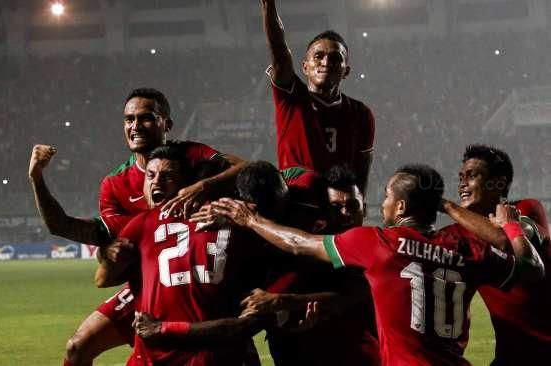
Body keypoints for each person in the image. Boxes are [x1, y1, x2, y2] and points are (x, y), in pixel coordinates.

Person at [193, 164, 545, 365]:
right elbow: (532, 267)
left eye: (389, 197)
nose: (385, 204)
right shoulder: (467, 248)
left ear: (402, 209)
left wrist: (249, 220)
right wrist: (509, 225)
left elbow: (300, 244)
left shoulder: (378, 243)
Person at [28, 88, 246, 366]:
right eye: (128, 119)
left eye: (145, 118)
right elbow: (73, 230)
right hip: (146, 287)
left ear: (166, 124)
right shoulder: (115, 184)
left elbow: (248, 169)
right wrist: (37, 178)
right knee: (77, 347)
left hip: (196, 279)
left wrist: (202, 187)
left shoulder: (191, 155)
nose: (135, 126)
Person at [135, 163, 379, 365]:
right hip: (296, 345)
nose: (344, 214)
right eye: (336, 207)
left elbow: (344, 292)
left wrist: (164, 330)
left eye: (353, 206)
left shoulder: (356, 242)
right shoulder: (263, 247)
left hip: (354, 351)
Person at [105, 147, 271, 366]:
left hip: (158, 350)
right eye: (151, 176)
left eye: (167, 176)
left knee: (79, 344)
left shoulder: (145, 222)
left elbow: (102, 279)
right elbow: (246, 324)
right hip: (215, 351)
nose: (157, 183)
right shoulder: (247, 225)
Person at [445, 144, 551, 364]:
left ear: (499, 183)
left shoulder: (527, 207)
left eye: (472, 175)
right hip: (510, 358)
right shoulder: (459, 236)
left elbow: (510, 239)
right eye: (461, 176)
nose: (462, 183)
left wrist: (448, 207)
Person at [260, 0, 374, 193]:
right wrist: (268, 5)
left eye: (336, 58)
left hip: (337, 205)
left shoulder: (361, 113)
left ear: (346, 71)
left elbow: (363, 164)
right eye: (318, 56)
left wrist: (360, 199)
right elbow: (279, 50)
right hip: (297, 199)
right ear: (304, 67)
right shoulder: (292, 95)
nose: (326, 61)